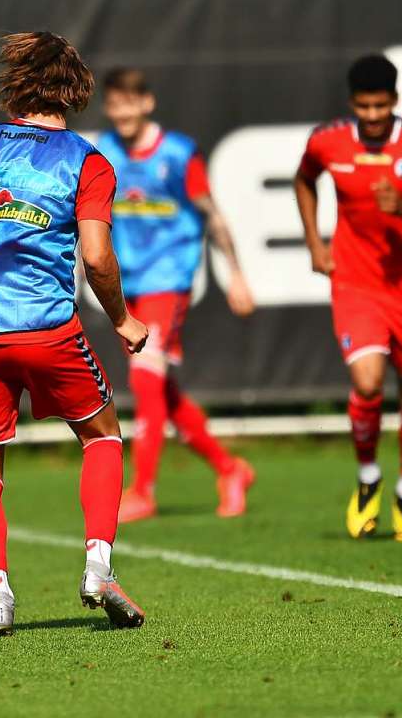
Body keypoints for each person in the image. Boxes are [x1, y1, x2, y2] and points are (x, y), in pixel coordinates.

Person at [0, 32, 148, 637]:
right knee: (102, 436)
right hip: (46, 330)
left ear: (14, 85)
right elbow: (96, 256)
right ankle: (98, 565)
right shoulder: (86, 162)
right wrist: (121, 318)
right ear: (76, 89)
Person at [293, 54, 402, 543]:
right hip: (356, 284)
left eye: (380, 106)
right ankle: (368, 478)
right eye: (363, 106)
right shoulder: (328, 141)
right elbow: (304, 179)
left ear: (395, 102)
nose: (371, 115)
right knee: (367, 383)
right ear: (352, 103)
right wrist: (314, 241)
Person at [97, 68, 257, 524]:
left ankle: (142, 491)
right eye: (114, 104)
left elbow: (214, 217)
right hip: (130, 290)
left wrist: (238, 276)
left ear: (147, 103)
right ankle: (230, 469)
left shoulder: (179, 154)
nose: (122, 112)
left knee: (146, 382)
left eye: (130, 102)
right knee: (163, 391)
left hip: (170, 283)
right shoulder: (104, 152)